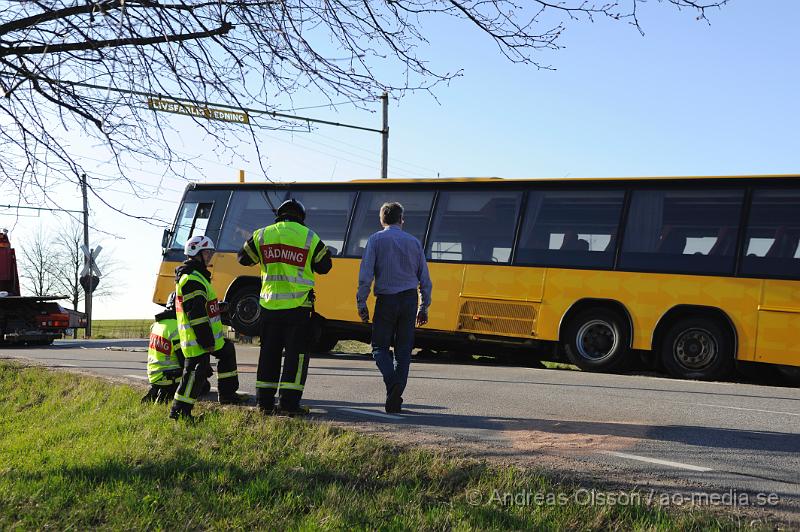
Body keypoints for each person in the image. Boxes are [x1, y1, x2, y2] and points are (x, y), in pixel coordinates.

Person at [237, 199, 332, 415]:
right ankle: (289, 405)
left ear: (279, 215)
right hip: (298, 308)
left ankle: (264, 404)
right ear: (301, 217)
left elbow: (243, 258)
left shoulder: (262, 234)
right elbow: (325, 266)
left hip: (270, 307)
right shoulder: (308, 236)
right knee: (295, 357)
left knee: (268, 354)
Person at [356, 202, 432, 413]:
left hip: (386, 300)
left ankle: (392, 384)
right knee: (403, 351)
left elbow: (365, 276)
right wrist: (424, 306)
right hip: (409, 300)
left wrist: (361, 303)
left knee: (379, 348)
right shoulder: (414, 243)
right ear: (401, 220)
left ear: (382, 220)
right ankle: (395, 394)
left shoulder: (375, 240)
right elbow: (425, 279)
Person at [169, 235, 244, 421]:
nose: (210, 256)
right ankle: (179, 413)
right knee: (195, 374)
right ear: (197, 253)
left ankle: (227, 395)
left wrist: (219, 308)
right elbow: (196, 315)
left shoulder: (198, 276)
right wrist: (206, 341)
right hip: (198, 338)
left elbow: (201, 307)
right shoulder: (191, 279)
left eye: (211, 252)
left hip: (206, 336)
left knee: (226, 350)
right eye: (207, 252)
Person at [142, 292, 184, 404]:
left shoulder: (156, 325)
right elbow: (183, 359)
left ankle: (158, 390)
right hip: (168, 377)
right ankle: (167, 393)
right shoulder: (176, 327)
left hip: (154, 376)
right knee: (198, 379)